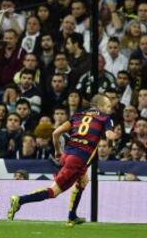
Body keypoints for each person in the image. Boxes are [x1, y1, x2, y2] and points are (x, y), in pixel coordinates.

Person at [7, 94, 117, 226]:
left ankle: (72, 216)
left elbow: (55, 133)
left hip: (68, 155)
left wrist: (58, 151)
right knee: (53, 192)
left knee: (83, 181)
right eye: (108, 106)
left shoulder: (78, 115)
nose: (110, 109)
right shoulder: (105, 118)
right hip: (78, 159)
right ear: (100, 106)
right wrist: (115, 134)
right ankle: (20, 200)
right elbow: (110, 136)